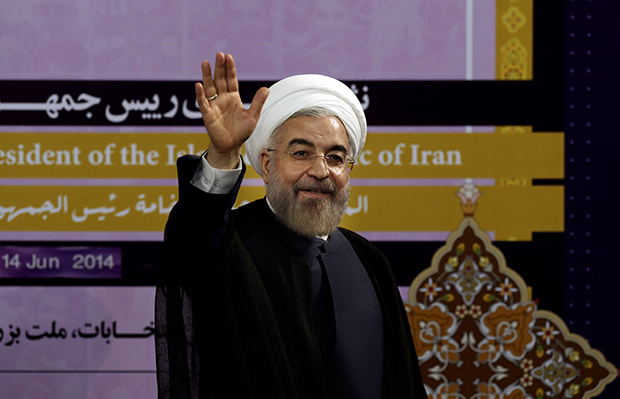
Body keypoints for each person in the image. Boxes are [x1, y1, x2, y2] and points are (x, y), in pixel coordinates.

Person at [155, 52, 427, 399]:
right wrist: (223, 157)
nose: (320, 171)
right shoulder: (229, 243)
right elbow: (192, 239)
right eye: (301, 153)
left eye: (335, 157)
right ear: (267, 164)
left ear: (348, 170)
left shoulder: (368, 260)